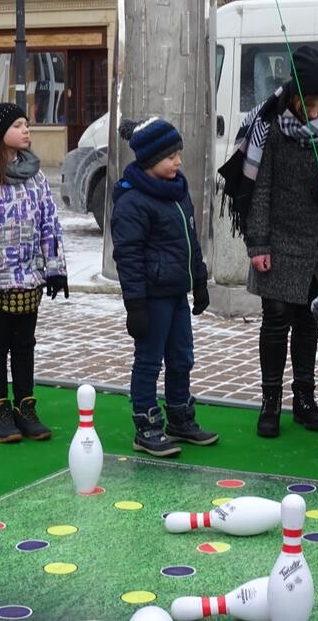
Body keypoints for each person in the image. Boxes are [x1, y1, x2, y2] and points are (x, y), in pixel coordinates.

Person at [219, 45, 318, 438]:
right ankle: (270, 402)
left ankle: (304, 398)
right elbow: (260, 190)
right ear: (296, 98)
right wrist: (258, 245)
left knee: (307, 320)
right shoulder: (270, 126)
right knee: (276, 319)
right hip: (279, 239)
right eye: (311, 105)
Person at [0, 102, 68, 443]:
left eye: (26, 123)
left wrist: (55, 269)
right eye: (18, 124)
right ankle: (0, 409)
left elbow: (49, 222)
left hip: (29, 277)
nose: (26, 130)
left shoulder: (34, 174)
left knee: (25, 344)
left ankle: (26, 406)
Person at [111, 117, 217, 457]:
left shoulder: (177, 191)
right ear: (149, 159)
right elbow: (127, 256)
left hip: (177, 294)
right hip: (152, 297)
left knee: (182, 357)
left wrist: (199, 280)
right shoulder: (133, 201)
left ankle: (180, 417)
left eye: (179, 154)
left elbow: (190, 241)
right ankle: (146, 423)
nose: (178, 162)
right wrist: (136, 306)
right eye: (171, 156)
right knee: (149, 360)